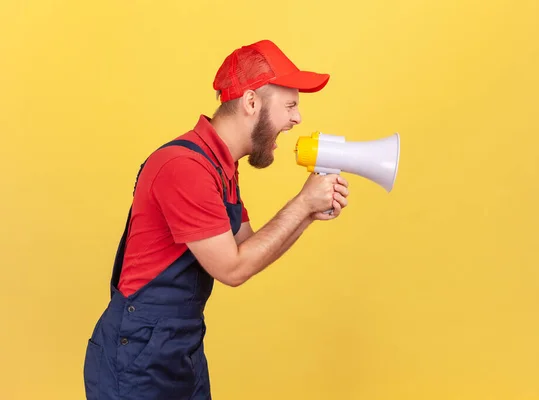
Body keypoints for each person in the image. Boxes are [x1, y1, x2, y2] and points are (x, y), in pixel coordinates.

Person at [83, 39, 350, 400]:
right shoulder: (185, 167)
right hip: (137, 357)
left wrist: (309, 214)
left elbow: (247, 246)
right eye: (290, 105)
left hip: (180, 349)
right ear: (251, 102)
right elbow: (233, 269)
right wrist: (302, 204)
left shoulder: (220, 165)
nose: (297, 118)